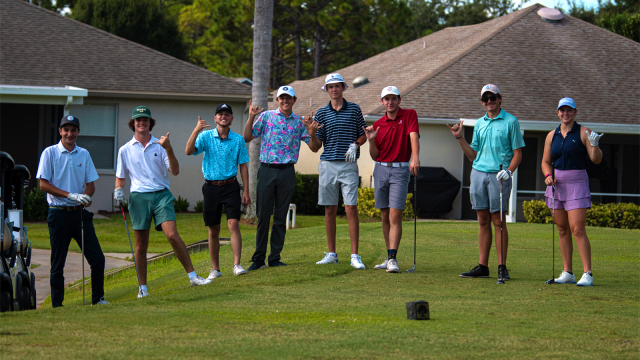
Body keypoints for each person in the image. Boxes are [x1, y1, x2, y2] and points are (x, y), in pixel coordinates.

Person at [114, 106, 211, 299]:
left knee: (172, 235)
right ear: (133, 123)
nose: (142, 122)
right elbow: (121, 178)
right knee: (141, 245)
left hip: (161, 195)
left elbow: (174, 171)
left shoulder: (160, 146)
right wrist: (118, 190)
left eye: (145, 120)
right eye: (138, 120)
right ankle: (143, 288)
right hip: (139, 197)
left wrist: (169, 148)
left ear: (151, 123)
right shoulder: (125, 149)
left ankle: (193, 276)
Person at [447, 84, 525, 282]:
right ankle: (483, 266)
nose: (489, 101)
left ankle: (502, 267)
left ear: (500, 98)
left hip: (499, 176)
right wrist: (459, 138)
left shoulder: (510, 121)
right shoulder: (480, 123)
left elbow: (518, 154)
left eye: (493, 97)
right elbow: (472, 155)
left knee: (498, 221)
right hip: (478, 173)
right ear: (482, 102)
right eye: (485, 98)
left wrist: (509, 171)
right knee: (482, 220)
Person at [36, 115, 108, 307]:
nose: (69, 133)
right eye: (66, 130)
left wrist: (85, 197)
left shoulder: (83, 154)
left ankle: (98, 299)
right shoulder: (49, 153)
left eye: (73, 130)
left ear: (78, 132)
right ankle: (57, 305)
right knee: (58, 263)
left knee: (97, 259)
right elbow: (43, 184)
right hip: (58, 213)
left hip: (79, 214)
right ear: (60, 131)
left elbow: (90, 185)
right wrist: (71, 195)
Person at [242, 86, 309, 270]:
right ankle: (258, 259)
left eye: (288, 98)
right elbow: (247, 137)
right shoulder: (267, 117)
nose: (285, 101)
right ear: (277, 100)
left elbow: (314, 146)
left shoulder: (299, 122)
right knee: (263, 216)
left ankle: (274, 258)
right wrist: (251, 117)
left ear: (294, 100)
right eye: (282, 98)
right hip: (267, 170)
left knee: (280, 217)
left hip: (287, 172)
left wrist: (311, 130)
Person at [306, 73, 367, 269]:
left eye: (337, 86)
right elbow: (315, 147)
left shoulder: (355, 109)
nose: (334, 89)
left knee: (350, 208)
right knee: (330, 209)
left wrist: (356, 145)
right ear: (327, 90)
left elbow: (364, 133)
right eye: (330, 86)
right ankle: (332, 253)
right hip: (328, 165)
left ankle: (355, 255)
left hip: (348, 164)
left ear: (343, 88)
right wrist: (311, 134)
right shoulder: (322, 113)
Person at [542, 97, 602, 287]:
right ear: (558, 112)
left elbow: (596, 159)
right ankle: (568, 272)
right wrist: (548, 175)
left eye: (569, 110)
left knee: (577, 228)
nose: (565, 113)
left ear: (575, 112)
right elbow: (545, 161)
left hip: (576, 182)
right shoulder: (552, 135)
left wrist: (596, 146)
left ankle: (588, 273)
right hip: (556, 183)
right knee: (562, 229)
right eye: (562, 110)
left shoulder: (584, 132)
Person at [186, 103, 250, 278]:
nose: (223, 116)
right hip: (211, 187)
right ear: (215, 118)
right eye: (220, 114)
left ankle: (237, 264)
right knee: (213, 229)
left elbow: (243, 165)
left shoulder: (237, 140)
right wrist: (196, 130)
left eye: (227, 114)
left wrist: (246, 191)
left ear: (231, 118)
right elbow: (188, 151)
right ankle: (215, 269)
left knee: (233, 224)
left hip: (231, 186)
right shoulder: (205, 136)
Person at [363, 86, 420, 273]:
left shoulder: (409, 115)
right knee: (385, 215)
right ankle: (389, 257)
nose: (390, 102)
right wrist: (371, 140)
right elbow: (374, 156)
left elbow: (413, 137)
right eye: (386, 99)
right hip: (380, 169)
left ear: (399, 100)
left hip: (400, 170)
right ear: (382, 102)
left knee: (396, 215)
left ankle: (393, 259)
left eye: (393, 98)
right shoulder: (378, 124)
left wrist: (415, 157)